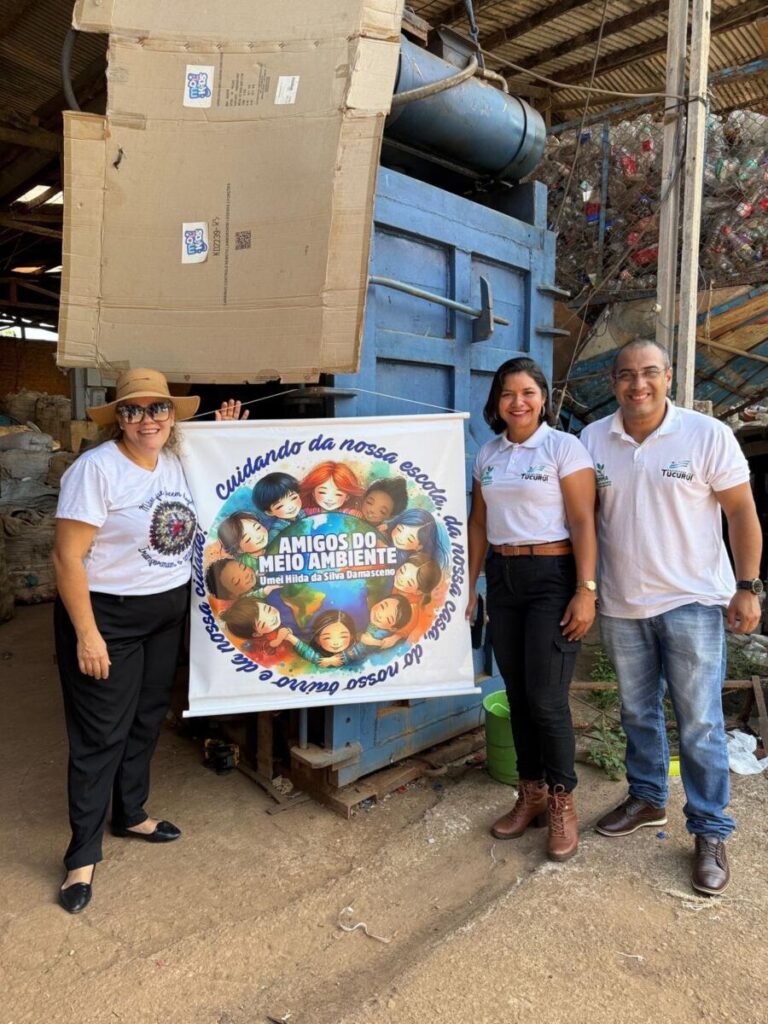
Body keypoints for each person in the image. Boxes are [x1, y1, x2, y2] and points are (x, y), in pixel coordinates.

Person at [52, 368, 245, 914]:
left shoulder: (176, 462)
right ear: (118, 419)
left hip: (164, 614)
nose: (146, 420)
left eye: (157, 408)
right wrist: (87, 635)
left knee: (144, 719)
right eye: (132, 410)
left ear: (171, 416)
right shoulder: (97, 469)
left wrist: (227, 436)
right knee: (100, 735)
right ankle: (81, 857)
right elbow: (66, 558)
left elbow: (221, 476)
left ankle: (131, 813)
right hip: (106, 618)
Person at [581, 339, 762, 896]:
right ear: (613, 381)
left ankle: (709, 829)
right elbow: (584, 520)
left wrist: (747, 587)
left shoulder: (707, 435)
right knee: (637, 711)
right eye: (626, 375)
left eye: (649, 373)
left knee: (700, 722)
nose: (638, 384)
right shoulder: (592, 439)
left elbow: (741, 512)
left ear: (668, 377)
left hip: (692, 600)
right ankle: (648, 798)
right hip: (622, 603)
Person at [466, 357, 597, 862]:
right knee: (518, 694)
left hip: (553, 576)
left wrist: (586, 590)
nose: (517, 402)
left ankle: (563, 800)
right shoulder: (488, 453)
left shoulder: (564, 448)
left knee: (546, 698)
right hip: (504, 578)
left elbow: (583, 522)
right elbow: (480, 523)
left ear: (543, 398)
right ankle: (532, 793)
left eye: (527, 392)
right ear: (496, 402)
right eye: (507, 394)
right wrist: (472, 584)